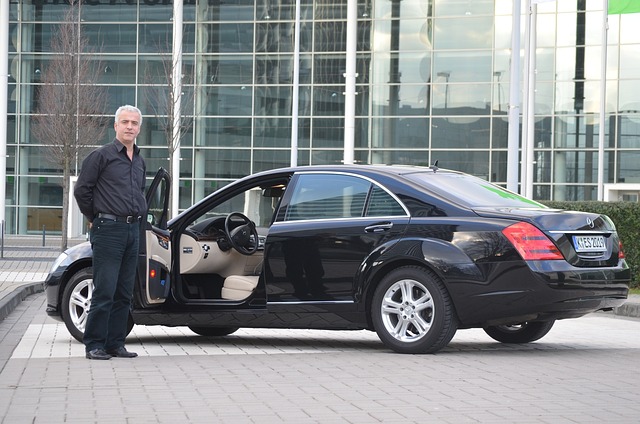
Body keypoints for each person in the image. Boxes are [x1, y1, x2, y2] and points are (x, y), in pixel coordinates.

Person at [74, 105, 146, 360]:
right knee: (104, 289)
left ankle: (116, 343)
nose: (129, 126)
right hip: (108, 229)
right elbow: (82, 190)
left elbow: (139, 192)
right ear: (115, 126)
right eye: (124, 122)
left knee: (124, 291)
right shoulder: (101, 156)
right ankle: (94, 344)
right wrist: (94, 217)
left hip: (132, 229)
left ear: (139, 128)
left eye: (134, 123)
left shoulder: (138, 160)